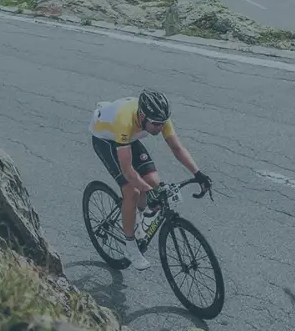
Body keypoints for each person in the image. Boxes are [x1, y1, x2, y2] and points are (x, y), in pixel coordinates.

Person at [89, 90, 211, 270]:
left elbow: (177, 148)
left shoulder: (158, 117)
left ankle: (137, 217)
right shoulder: (125, 120)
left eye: (162, 123)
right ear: (142, 115)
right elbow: (128, 170)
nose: (160, 128)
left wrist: (198, 173)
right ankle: (130, 246)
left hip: (129, 137)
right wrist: (147, 190)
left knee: (154, 182)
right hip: (106, 139)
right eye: (156, 124)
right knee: (132, 190)